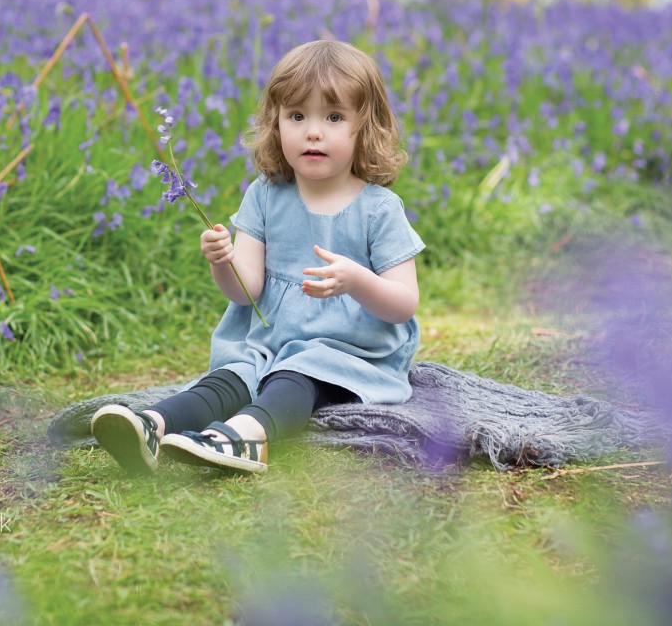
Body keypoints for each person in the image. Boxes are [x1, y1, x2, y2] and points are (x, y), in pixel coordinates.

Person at [91, 40, 425, 474]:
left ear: (367, 128)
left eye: (335, 117)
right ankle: (153, 425)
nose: (313, 132)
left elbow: (403, 304)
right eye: (297, 116)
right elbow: (247, 291)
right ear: (275, 122)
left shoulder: (378, 209)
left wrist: (357, 280)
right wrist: (221, 261)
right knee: (235, 375)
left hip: (349, 351)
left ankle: (245, 437)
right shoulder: (266, 196)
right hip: (269, 341)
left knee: (297, 372)